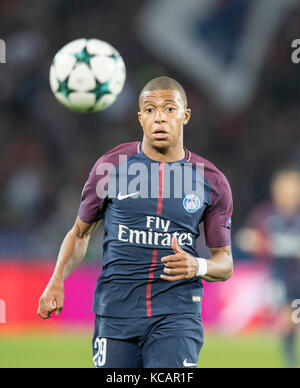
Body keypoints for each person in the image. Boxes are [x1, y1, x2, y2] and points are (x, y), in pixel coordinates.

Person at [37, 76, 233, 368]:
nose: (160, 118)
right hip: (115, 314)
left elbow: (225, 262)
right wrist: (56, 280)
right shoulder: (110, 166)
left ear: (185, 115)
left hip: (177, 316)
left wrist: (198, 266)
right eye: (151, 110)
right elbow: (80, 234)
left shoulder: (211, 180)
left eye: (169, 109)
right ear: (140, 118)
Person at [236, 168, 300, 368]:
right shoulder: (266, 214)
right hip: (279, 276)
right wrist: (258, 242)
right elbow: (244, 238)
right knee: (288, 316)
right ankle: (289, 356)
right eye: (287, 189)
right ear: (277, 191)